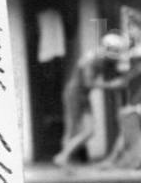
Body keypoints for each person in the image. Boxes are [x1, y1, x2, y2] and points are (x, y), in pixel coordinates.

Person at [53, 31, 130, 166]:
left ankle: (63, 156)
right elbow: (88, 83)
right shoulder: (90, 59)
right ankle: (64, 158)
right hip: (74, 95)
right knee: (72, 129)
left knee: (89, 131)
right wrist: (112, 85)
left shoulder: (101, 58)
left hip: (83, 96)